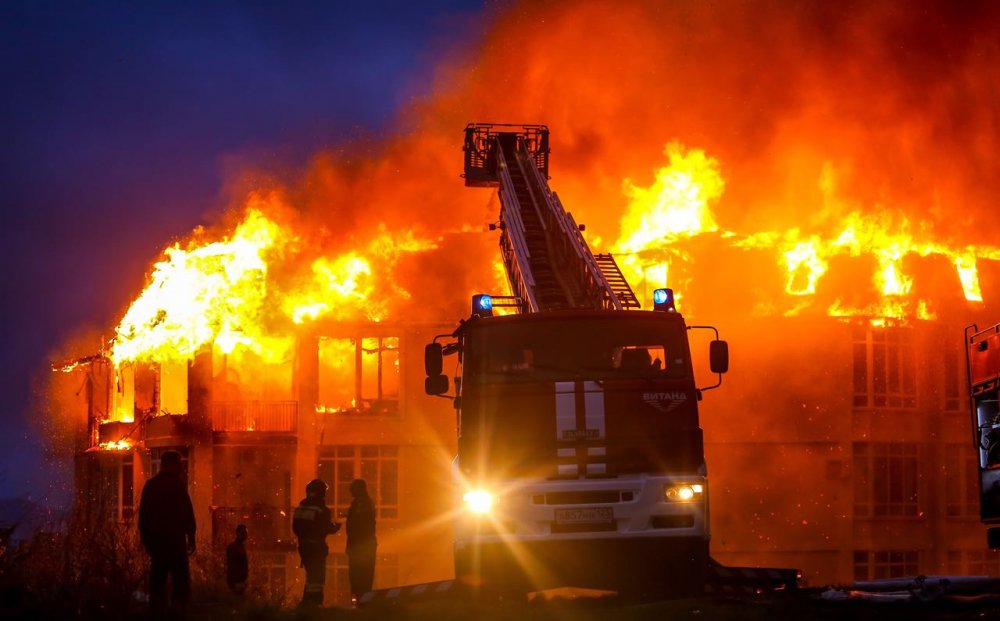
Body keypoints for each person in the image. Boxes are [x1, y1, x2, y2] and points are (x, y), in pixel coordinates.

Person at [138, 450, 196, 615]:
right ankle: (178, 614)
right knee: (180, 583)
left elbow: (143, 516)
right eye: (179, 464)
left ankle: (158, 613)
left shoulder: (151, 486)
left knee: (157, 582)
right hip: (175, 541)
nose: (182, 468)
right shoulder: (177, 486)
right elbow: (187, 512)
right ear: (172, 465)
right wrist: (191, 536)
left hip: (158, 543)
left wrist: (146, 541)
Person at [292, 479, 341, 607]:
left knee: (311, 576)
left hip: (304, 547)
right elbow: (326, 528)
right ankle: (315, 603)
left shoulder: (300, 507)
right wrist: (336, 527)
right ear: (321, 492)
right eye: (324, 492)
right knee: (317, 577)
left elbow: (295, 528)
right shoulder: (321, 509)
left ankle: (306, 602)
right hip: (317, 547)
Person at [346, 478, 377, 603]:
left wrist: (351, 545)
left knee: (358, 575)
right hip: (364, 545)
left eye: (352, 489)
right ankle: (362, 602)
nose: (350, 492)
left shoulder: (360, 504)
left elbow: (357, 526)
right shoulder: (365, 503)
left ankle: (360, 602)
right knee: (364, 575)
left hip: (361, 546)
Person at [226, 524, 249, 596]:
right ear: (237, 533)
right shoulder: (233, 547)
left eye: (246, 533)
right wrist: (236, 582)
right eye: (243, 533)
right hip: (236, 583)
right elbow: (232, 566)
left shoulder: (241, 547)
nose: (245, 535)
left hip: (241, 583)